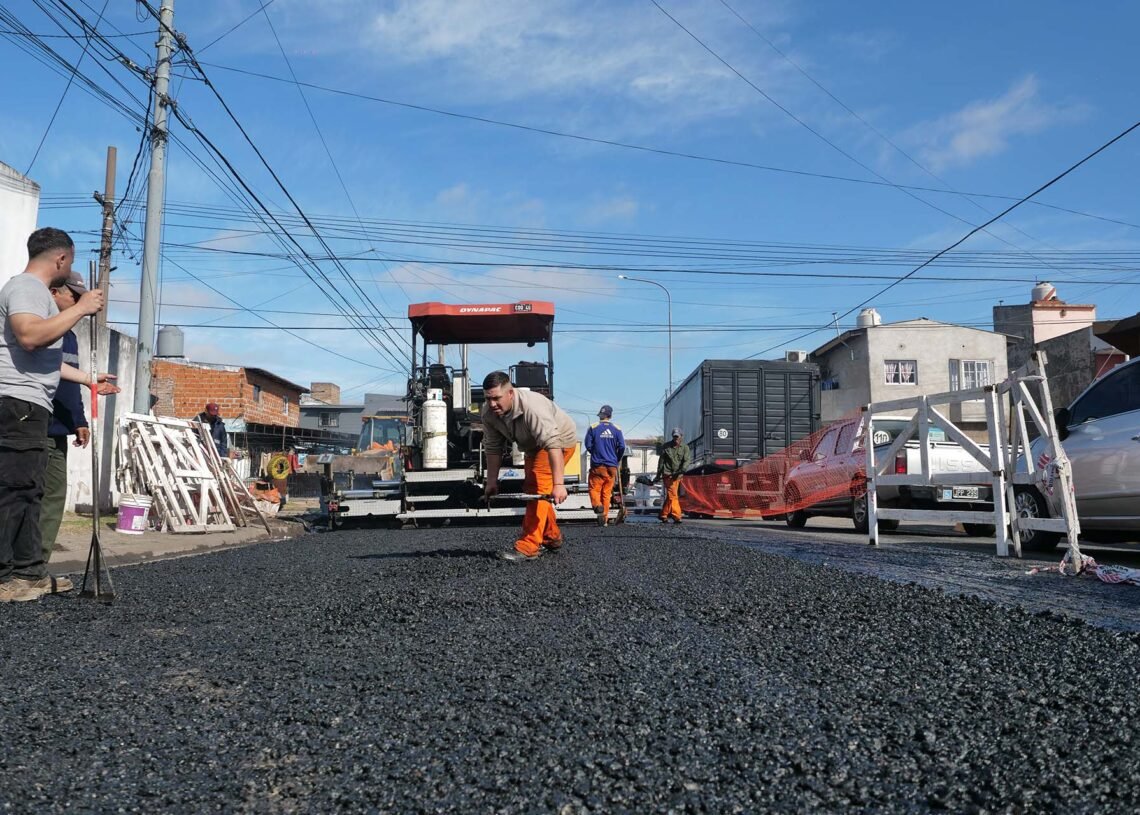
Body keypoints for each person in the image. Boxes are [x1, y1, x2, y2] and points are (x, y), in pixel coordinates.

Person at [1, 228, 106, 603]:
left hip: (27, 404)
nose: (69, 271)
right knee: (16, 492)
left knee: (29, 490)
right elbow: (29, 337)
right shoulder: (28, 288)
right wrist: (80, 308)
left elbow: (45, 359)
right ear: (60, 259)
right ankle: (9, 578)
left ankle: (27, 575)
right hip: (19, 405)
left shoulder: (30, 293)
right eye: (71, 263)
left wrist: (90, 379)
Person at [40, 274, 121, 573]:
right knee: (40, 499)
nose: (80, 302)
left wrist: (78, 420)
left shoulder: (69, 336)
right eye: (74, 296)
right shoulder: (45, 330)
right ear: (53, 293)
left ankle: (32, 567)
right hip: (36, 426)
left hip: (58, 428)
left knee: (50, 499)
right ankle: (29, 570)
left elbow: (67, 384)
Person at [481, 371, 578, 561]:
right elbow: (493, 448)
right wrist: (491, 481)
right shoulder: (489, 413)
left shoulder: (533, 408)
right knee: (532, 488)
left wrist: (558, 485)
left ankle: (528, 546)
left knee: (538, 486)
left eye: (496, 398)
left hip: (560, 442)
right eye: (488, 399)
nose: (492, 404)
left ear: (510, 393)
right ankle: (551, 536)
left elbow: (552, 444)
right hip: (533, 446)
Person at [584, 404, 625, 527]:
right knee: (607, 493)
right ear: (610, 416)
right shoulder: (617, 429)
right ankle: (605, 519)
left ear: (600, 416)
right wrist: (615, 459)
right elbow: (622, 446)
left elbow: (588, 445)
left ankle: (597, 506)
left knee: (594, 489)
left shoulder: (593, 427)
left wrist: (596, 453)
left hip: (598, 465)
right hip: (612, 466)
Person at [656, 427, 692, 525]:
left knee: (671, 496)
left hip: (678, 475)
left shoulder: (685, 448)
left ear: (681, 437)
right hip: (667, 474)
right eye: (674, 436)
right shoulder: (666, 447)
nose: (676, 438)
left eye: (677, 437)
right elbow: (661, 463)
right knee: (673, 495)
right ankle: (677, 516)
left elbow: (687, 460)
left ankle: (663, 514)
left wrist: (683, 469)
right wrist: (657, 475)